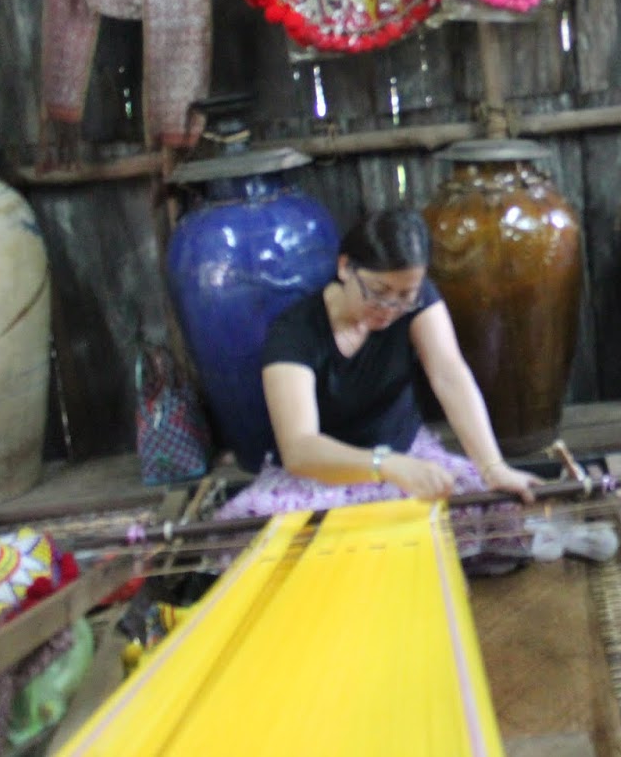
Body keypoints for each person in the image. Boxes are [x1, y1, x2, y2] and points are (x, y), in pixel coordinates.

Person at [215, 208, 540, 571]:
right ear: (345, 268)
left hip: (405, 454)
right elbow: (299, 448)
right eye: (379, 292)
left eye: (406, 296)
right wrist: (384, 465)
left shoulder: (416, 303)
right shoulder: (294, 334)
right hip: (325, 475)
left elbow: (450, 376)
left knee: (492, 507)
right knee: (268, 544)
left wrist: (493, 467)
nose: (390, 308)